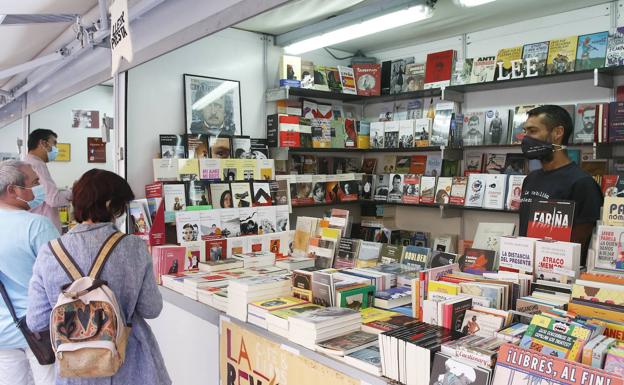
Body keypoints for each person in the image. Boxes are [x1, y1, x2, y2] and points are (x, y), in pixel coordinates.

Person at [26, 169, 171, 385]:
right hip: (132, 365)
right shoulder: (133, 247)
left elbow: (36, 320)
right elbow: (152, 309)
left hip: (76, 370)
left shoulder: (50, 251)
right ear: (111, 204)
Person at [519, 105, 603, 264]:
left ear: (558, 132)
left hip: (560, 277)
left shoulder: (582, 183)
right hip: (525, 270)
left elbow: (580, 244)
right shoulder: (530, 179)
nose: (526, 139)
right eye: (525, 132)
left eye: (533, 131)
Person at [0, 160, 59, 385]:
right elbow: (59, 279)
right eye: (34, 183)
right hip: (40, 329)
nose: (39, 188)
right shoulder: (37, 226)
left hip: (3, 333)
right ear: (12, 190)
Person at [24, 129, 72, 233]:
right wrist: (74, 192)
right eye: (54, 143)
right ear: (43, 143)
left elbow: (45, 194)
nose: (56, 149)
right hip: (42, 227)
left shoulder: (28, 163)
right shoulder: (36, 165)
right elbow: (54, 199)